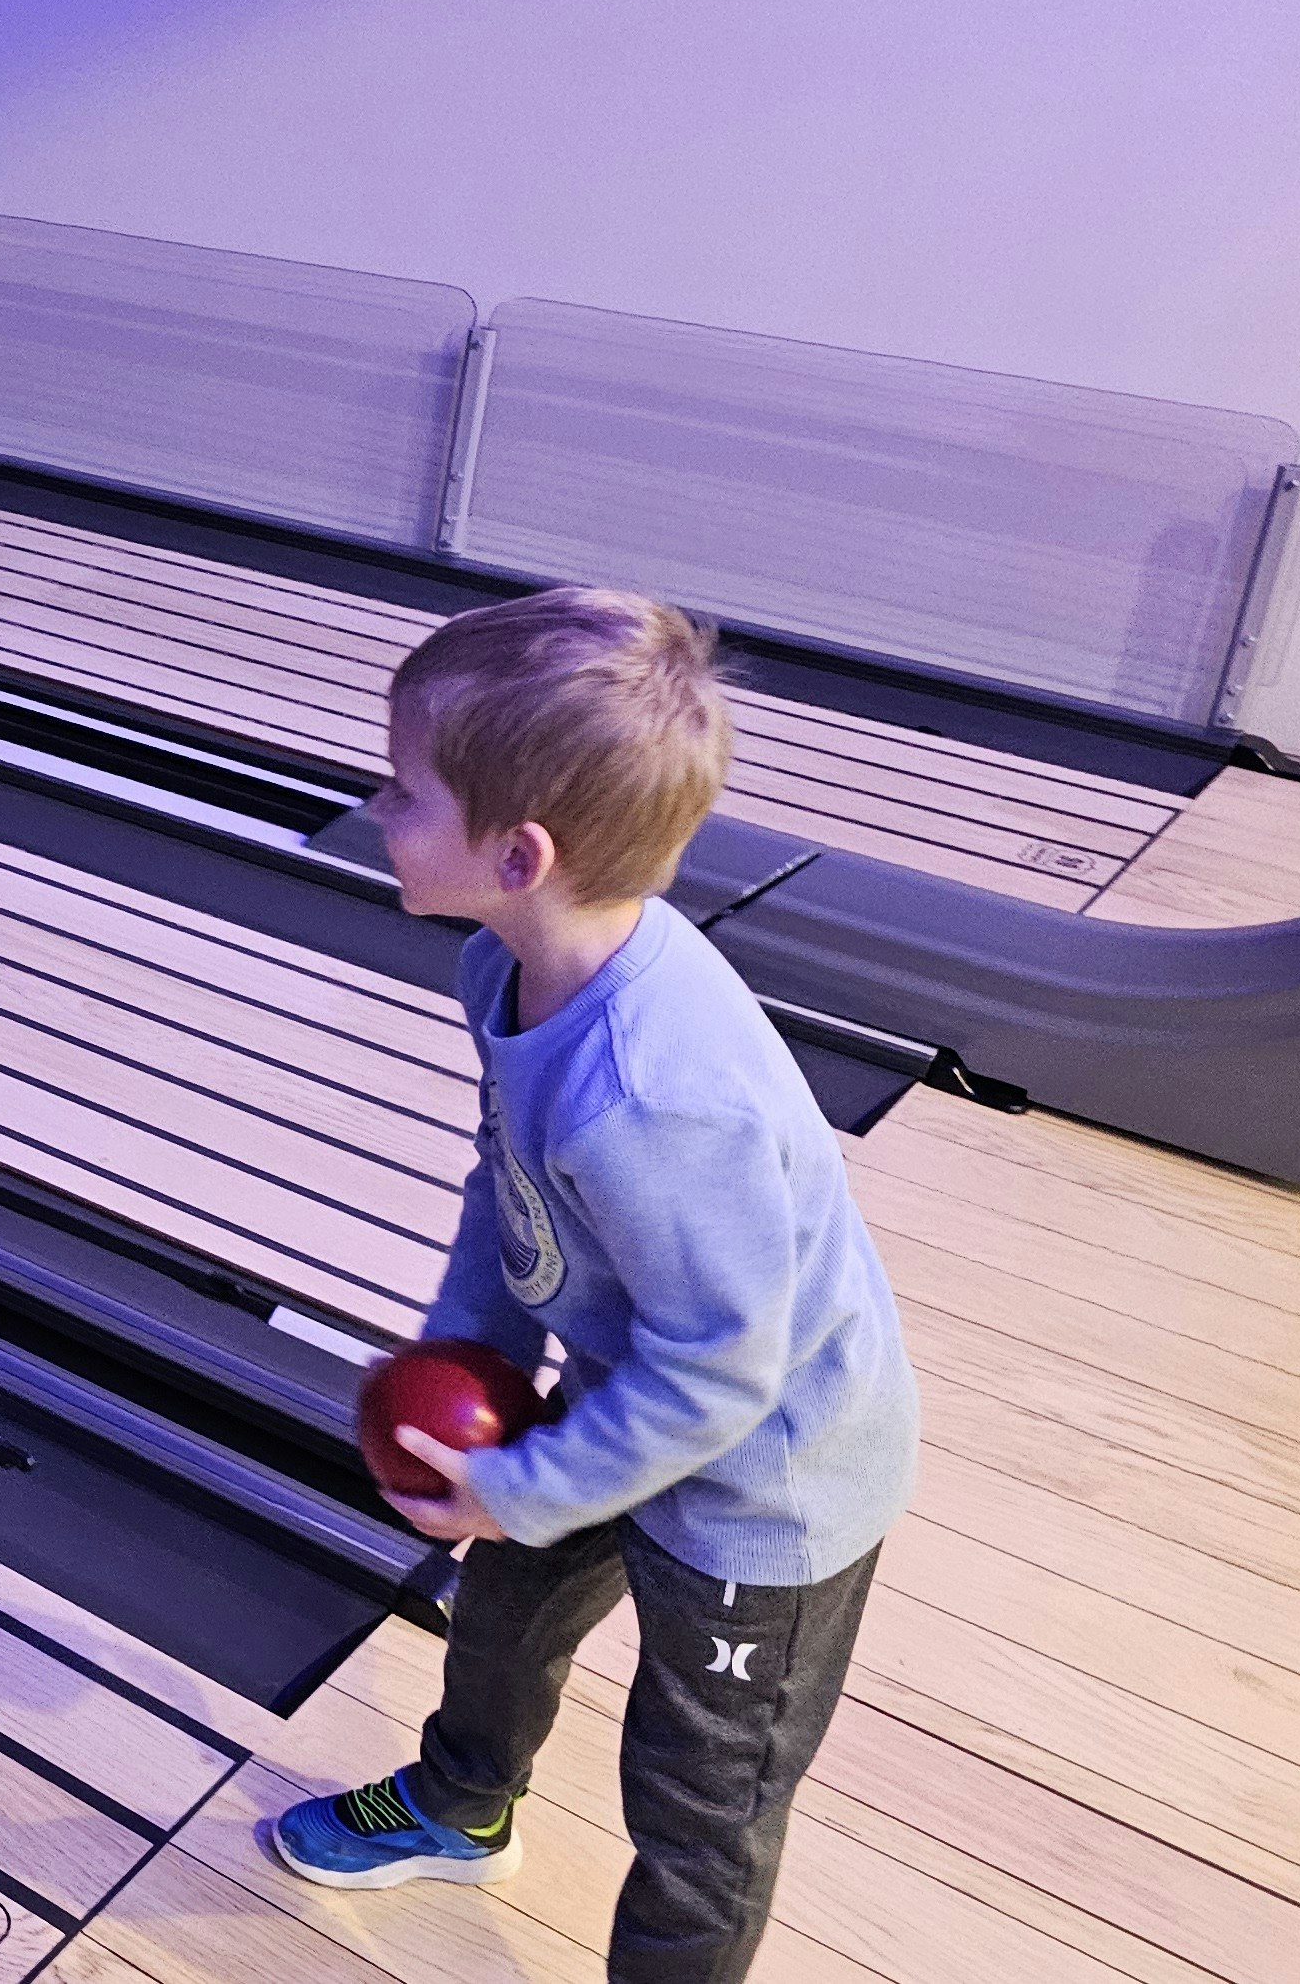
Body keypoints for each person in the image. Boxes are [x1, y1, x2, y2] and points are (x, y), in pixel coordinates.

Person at [266, 587, 922, 1984]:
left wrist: (525, 1485)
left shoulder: (651, 1102)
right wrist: (469, 1369)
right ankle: (460, 1803)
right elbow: (504, 1186)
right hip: (627, 1395)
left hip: (769, 1489)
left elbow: (728, 1371)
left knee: (699, 1798)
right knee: (501, 1615)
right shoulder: (505, 969)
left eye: (402, 789)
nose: (376, 807)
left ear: (517, 853)